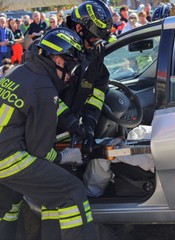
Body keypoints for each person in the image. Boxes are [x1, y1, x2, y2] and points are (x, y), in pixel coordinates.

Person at [0, 27, 96, 240]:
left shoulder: (19, 71)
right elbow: (39, 150)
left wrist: (72, 122)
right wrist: (65, 157)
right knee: (71, 192)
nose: (71, 76)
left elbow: (39, 103)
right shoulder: (44, 89)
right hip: (9, 159)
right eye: (72, 68)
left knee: (6, 208)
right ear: (61, 62)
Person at [24, 0, 114, 142]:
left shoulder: (95, 51)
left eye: (100, 41)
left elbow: (98, 89)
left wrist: (89, 123)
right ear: (79, 28)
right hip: (41, 130)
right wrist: (70, 122)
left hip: (70, 131)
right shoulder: (45, 48)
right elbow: (40, 92)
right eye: (94, 40)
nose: (97, 45)